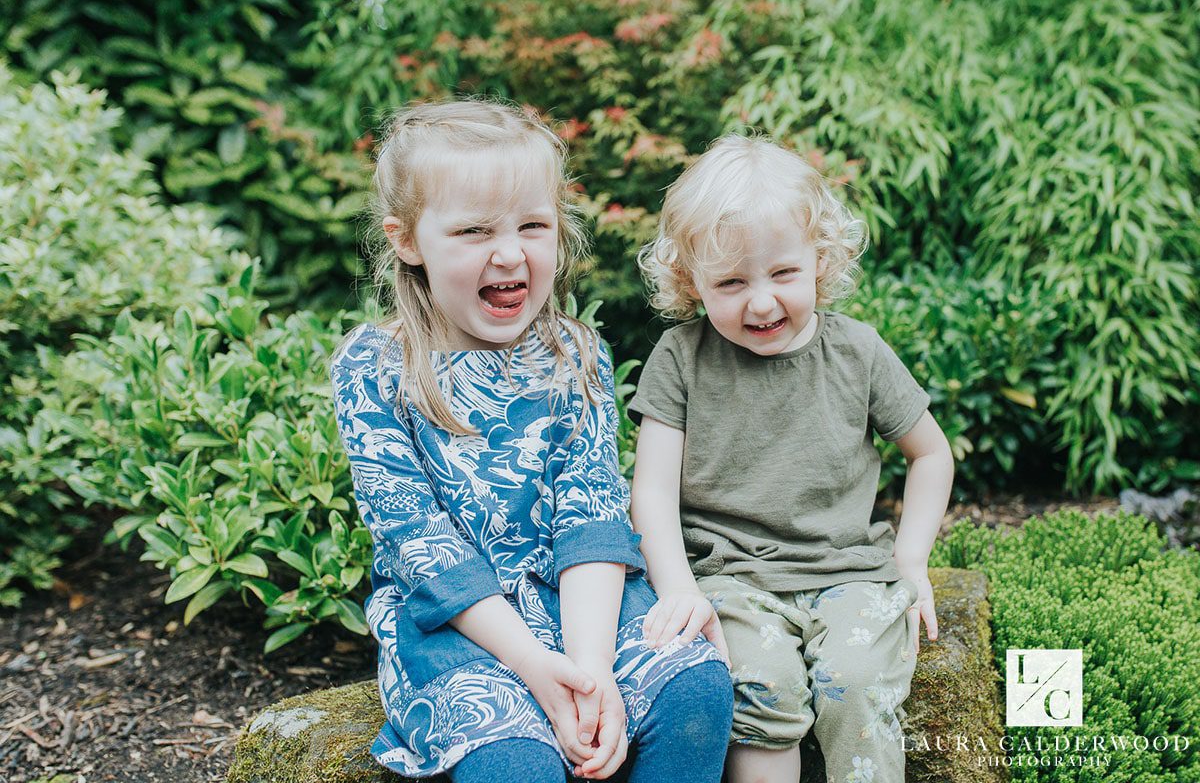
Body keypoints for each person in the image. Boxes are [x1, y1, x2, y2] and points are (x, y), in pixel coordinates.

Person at [328, 99, 732, 783]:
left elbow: (591, 514)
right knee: (514, 761)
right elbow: (422, 545)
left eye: (533, 226)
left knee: (695, 689)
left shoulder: (575, 353)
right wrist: (536, 670)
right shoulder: (373, 369)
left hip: (585, 608)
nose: (510, 253)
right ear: (406, 240)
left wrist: (591, 671)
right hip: (459, 627)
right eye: (475, 230)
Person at [628, 134, 954, 783]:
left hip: (850, 573)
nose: (761, 301)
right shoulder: (681, 358)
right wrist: (680, 590)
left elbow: (932, 454)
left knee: (857, 682)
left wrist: (911, 561)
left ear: (820, 260)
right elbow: (653, 494)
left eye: (783, 274)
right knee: (762, 686)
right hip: (732, 581)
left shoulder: (857, 352)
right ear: (691, 281)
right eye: (731, 282)